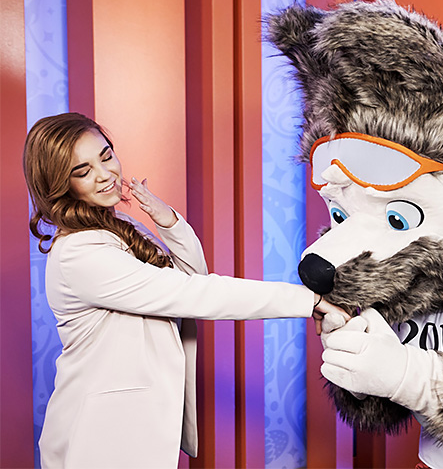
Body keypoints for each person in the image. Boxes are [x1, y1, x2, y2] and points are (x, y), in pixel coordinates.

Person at [23, 112, 346, 468]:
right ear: (60, 184)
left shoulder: (115, 226)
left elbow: (193, 276)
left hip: (134, 426)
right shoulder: (80, 254)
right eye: (83, 171)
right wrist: (306, 300)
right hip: (100, 436)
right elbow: (193, 293)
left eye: (106, 156)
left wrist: (168, 221)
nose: (105, 174)